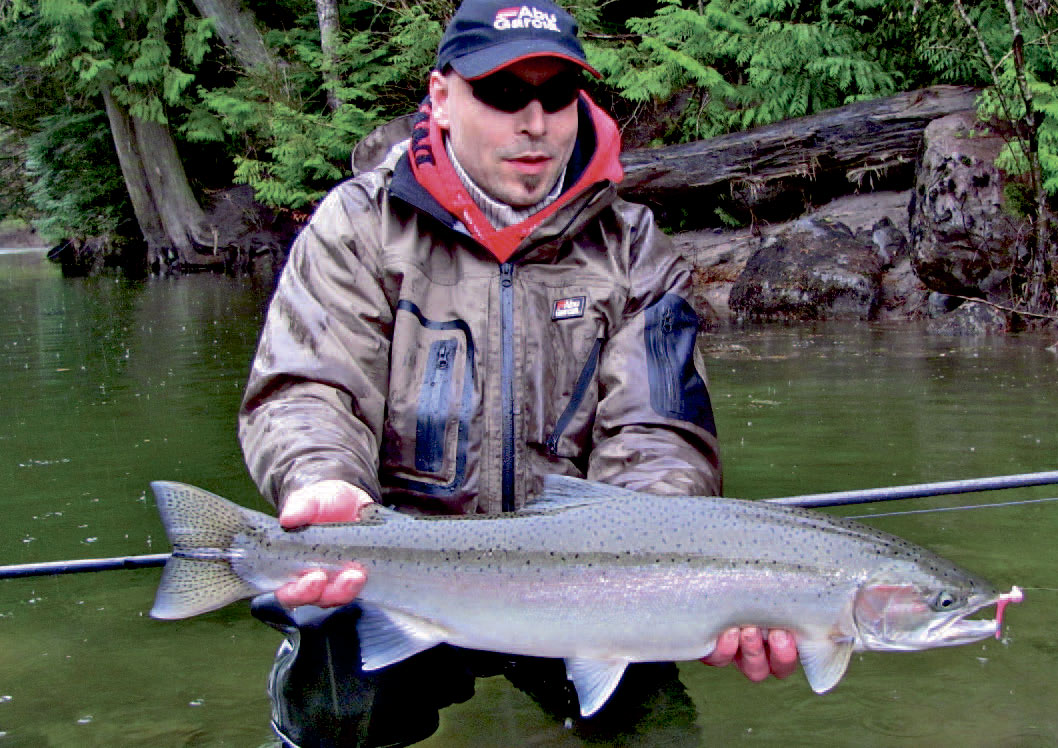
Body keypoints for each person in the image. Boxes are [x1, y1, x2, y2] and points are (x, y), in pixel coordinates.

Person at [239, 0, 798, 745]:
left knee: (657, 737)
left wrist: (694, 579)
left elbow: (658, 432)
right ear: (441, 98)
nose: (533, 122)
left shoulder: (635, 252)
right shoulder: (358, 227)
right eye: (503, 95)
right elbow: (310, 386)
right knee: (335, 704)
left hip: (585, 581)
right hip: (400, 566)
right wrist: (318, 479)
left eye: (556, 94)